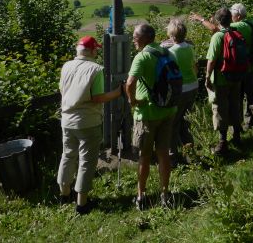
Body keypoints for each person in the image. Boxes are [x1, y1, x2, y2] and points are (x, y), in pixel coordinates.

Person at [57, 35, 123, 215]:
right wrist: (117, 93)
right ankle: (82, 203)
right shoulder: (96, 69)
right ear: (93, 51)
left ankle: (64, 194)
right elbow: (97, 98)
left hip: (67, 120)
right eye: (97, 50)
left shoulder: (66, 66)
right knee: (86, 161)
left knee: (68, 155)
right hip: (88, 122)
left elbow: (62, 90)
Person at [126, 22, 177, 210]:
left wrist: (132, 102)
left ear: (146, 38)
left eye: (135, 36)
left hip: (147, 114)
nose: (133, 39)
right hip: (168, 111)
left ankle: (141, 196)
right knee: (163, 153)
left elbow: (130, 83)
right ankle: (165, 193)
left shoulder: (142, 57)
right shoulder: (167, 53)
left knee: (144, 156)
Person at [204, 7, 243, 155]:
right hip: (237, 75)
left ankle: (222, 142)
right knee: (235, 104)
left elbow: (212, 60)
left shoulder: (218, 37)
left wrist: (207, 77)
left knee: (220, 108)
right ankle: (237, 135)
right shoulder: (236, 33)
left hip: (221, 78)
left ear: (218, 21)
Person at [163, 17, 197, 165]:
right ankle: (190, 153)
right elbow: (195, 67)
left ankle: (173, 156)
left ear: (171, 36)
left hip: (180, 90)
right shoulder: (190, 48)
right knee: (185, 121)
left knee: (172, 123)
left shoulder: (171, 52)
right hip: (193, 87)